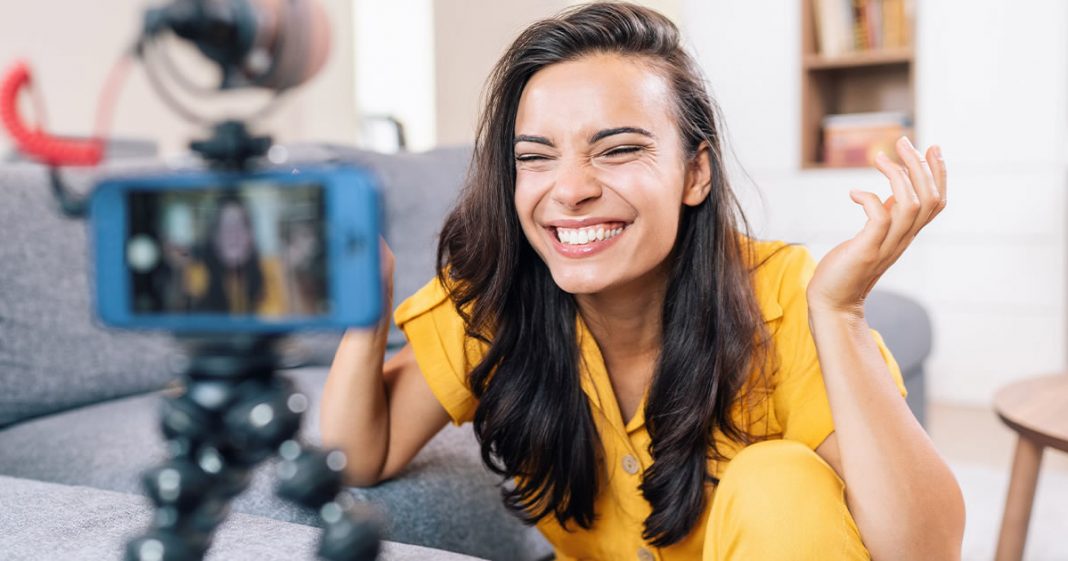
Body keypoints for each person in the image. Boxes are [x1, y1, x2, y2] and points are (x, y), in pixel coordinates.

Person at [321, 3, 965, 560]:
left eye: (619, 149)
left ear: (695, 174)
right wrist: (364, 312)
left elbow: (924, 551)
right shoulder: (493, 300)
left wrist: (841, 312)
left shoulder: (778, 297)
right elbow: (355, 457)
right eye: (536, 156)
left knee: (779, 480)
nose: (569, 189)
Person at [198, 195, 286, 316]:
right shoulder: (197, 275)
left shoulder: (271, 271)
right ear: (214, 238)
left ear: (251, 235)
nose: (234, 235)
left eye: (240, 226)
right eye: (226, 227)